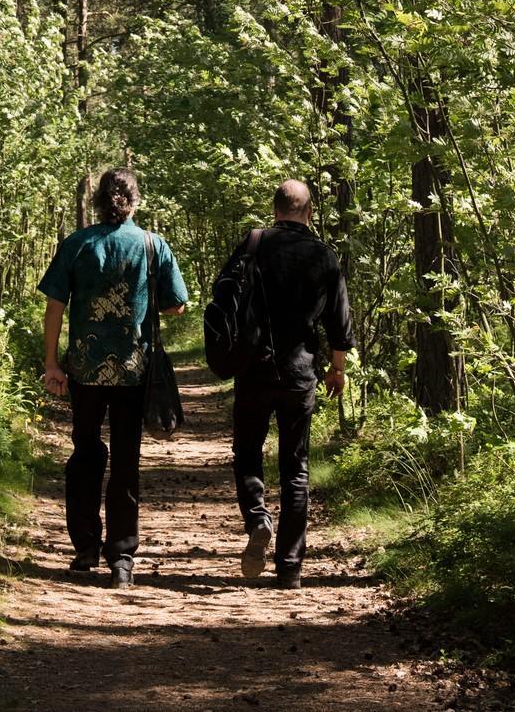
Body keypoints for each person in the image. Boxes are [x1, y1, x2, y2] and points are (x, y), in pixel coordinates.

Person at [38, 166, 188, 588]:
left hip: (83, 369)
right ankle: (122, 558)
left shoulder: (76, 245)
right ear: (135, 201)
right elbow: (177, 305)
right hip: (132, 370)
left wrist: (52, 363)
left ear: (98, 202)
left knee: (85, 453)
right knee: (126, 460)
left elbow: (55, 307)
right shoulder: (152, 245)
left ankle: (85, 549)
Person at [214, 178, 353, 589]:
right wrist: (337, 368)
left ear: (275, 209)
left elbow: (223, 298)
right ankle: (290, 568)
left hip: (253, 370)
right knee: (296, 468)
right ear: (308, 212)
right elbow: (339, 321)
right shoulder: (323, 255)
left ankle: (257, 516)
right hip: (300, 373)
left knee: (247, 452)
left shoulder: (253, 244)